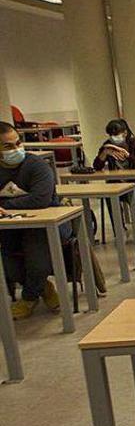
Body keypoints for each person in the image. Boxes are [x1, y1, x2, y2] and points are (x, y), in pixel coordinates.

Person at [0, 122, 67, 319]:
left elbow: (40, 199)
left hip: (50, 224)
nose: (16, 149)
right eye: (8, 146)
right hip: (11, 226)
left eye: (18, 143)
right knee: (9, 264)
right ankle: (42, 286)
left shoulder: (36, 165)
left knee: (36, 253)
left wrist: (5, 206)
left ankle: (29, 297)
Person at [92, 118, 135, 226]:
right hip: (116, 183)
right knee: (109, 195)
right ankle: (119, 228)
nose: (114, 138)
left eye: (117, 135)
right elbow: (97, 166)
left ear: (125, 133)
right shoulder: (108, 145)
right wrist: (104, 154)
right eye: (111, 135)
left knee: (130, 192)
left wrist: (128, 155)